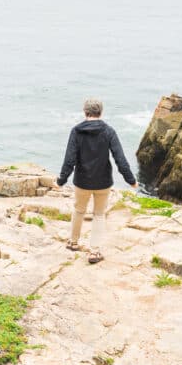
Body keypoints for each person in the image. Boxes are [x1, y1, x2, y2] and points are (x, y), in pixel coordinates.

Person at [56, 98, 137, 264]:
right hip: (103, 182)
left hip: (82, 181)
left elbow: (69, 160)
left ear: (85, 112)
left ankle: (73, 242)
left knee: (79, 210)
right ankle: (94, 252)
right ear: (101, 112)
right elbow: (120, 159)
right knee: (99, 215)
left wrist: (61, 180)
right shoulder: (109, 131)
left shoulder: (76, 131)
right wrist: (131, 180)